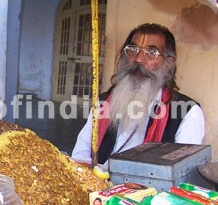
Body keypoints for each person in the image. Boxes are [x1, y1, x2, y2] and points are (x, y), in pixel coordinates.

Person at [71, 23, 205, 168]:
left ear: (168, 64)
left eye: (151, 52)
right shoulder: (103, 102)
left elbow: (183, 172)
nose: (138, 59)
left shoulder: (187, 112)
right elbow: (80, 156)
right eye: (133, 49)